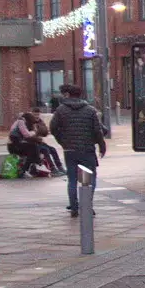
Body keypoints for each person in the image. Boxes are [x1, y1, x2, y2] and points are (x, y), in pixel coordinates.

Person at [50, 83, 106, 217]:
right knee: (90, 178)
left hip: (70, 150)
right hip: (87, 149)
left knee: (72, 179)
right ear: (81, 95)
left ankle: (74, 207)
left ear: (68, 94)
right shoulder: (90, 110)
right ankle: (87, 205)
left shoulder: (61, 110)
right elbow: (97, 131)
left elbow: (52, 128)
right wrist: (101, 145)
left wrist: (62, 141)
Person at [8, 108, 62, 175]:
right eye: (35, 115)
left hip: (32, 142)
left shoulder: (38, 122)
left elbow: (44, 132)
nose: (36, 116)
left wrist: (37, 132)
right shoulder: (22, 122)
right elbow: (27, 135)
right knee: (42, 150)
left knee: (51, 149)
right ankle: (46, 166)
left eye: (38, 114)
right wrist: (35, 133)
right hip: (20, 145)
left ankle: (58, 167)